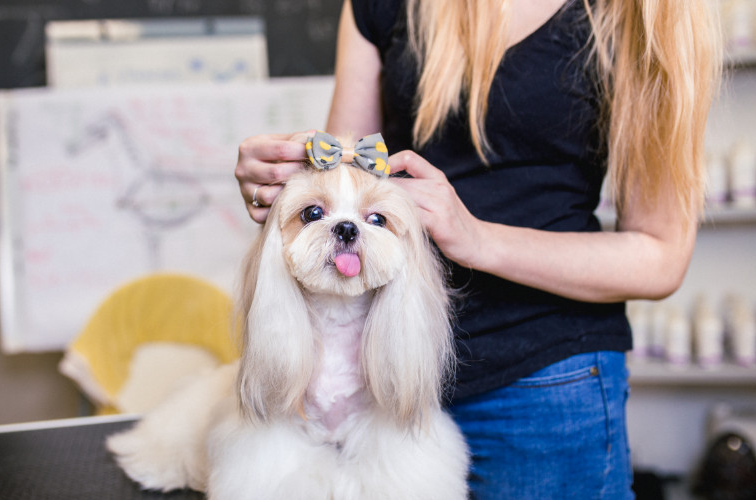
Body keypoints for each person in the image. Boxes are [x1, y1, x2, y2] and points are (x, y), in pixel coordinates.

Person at [234, 0, 722, 497]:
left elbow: (659, 257)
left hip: (542, 381)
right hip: (375, 380)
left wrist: (476, 238)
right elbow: (345, 168)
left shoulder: (649, 14)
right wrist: (280, 188)